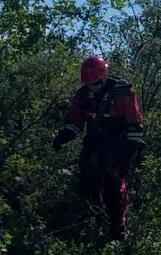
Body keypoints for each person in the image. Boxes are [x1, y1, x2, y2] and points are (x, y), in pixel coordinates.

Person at [52, 55, 144, 239]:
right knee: (88, 176)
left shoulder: (124, 94)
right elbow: (75, 120)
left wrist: (127, 157)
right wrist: (64, 136)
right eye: (88, 84)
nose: (91, 87)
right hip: (95, 141)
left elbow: (135, 126)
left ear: (103, 77)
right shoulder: (83, 94)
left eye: (94, 84)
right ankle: (93, 212)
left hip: (119, 143)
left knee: (114, 184)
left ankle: (118, 226)